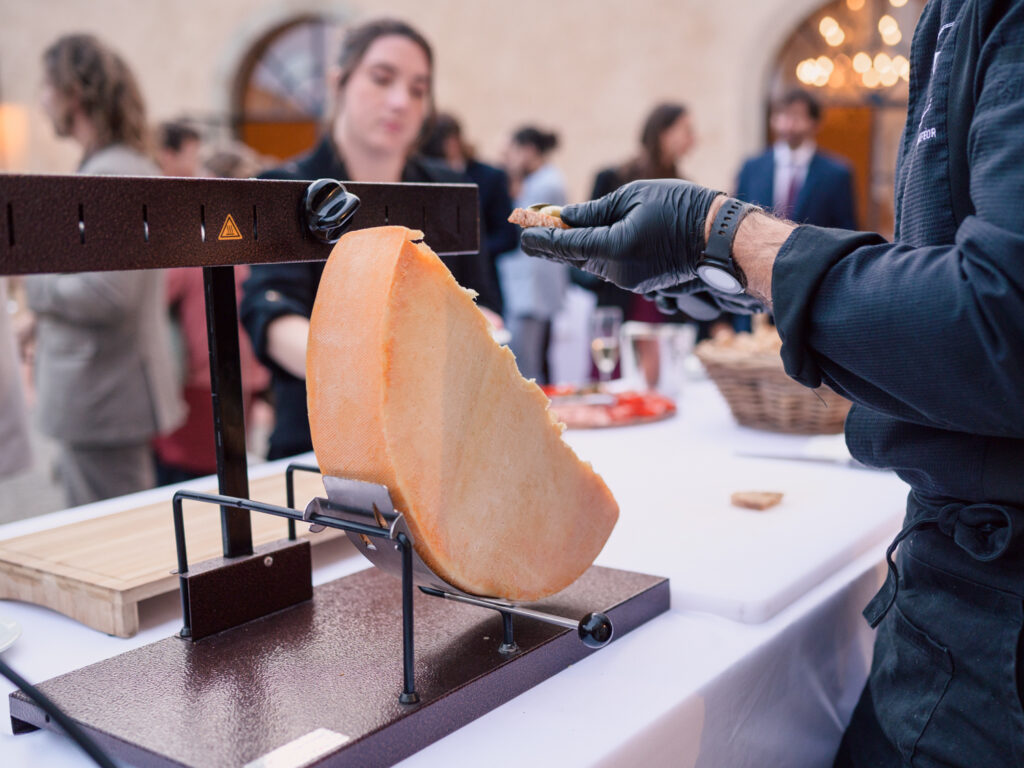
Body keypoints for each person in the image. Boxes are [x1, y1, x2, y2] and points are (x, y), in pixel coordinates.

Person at [521, 1, 1024, 764]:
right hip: (951, 579)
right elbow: (941, 270)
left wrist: (725, 234)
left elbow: (1001, 323)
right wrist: (736, 276)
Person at [241, 18, 502, 461]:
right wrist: (368, 369)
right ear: (338, 82)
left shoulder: (443, 191)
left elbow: (482, 305)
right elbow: (270, 311)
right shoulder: (287, 185)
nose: (400, 101)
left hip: (437, 444)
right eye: (382, 79)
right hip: (321, 447)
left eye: (418, 89)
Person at [24, 34, 184, 507]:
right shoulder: (113, 166)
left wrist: (32, 280)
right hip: (104, 388)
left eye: (46, 86)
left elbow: (109, 294)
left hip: (102, 395)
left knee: (114, 547)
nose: (41, 99)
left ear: (74, 93)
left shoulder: (112, 173)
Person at [152, 149, 271, 485]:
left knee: (186, 479)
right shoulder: (260, 249)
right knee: (228, 473)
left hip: (200, 382)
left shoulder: (196, 251)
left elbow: (155, 297)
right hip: (246, 379)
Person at [498, 126, 569, 383]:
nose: (505, 160)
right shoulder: (542, 180)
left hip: (532, 287)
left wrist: (510, 183)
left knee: (526, 367)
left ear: (527, 150)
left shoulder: (546, 183)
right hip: (531, 284)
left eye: (510, 152)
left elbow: (520, 221)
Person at [421, 111, 518, 292]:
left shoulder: (491, 177)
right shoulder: (422, 177)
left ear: (454, 141)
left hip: (479, 283)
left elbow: (508, 236)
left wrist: (469, 251)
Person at [736, 89, 856, 230]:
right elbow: (739, 220)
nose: (788, 124)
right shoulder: (752, 168)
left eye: (796, 116)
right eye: (782, 115)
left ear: (814, 123)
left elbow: (846, 230)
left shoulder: (836, 174)